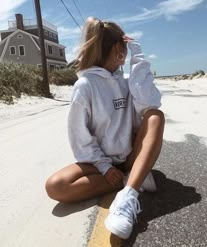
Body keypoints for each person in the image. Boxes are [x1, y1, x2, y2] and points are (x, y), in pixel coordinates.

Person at [45, 17, 165, 239]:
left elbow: (151, 102)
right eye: (127, 48)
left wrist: (138, 57)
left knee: (156, 116)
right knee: (56, 186)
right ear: (118, 48)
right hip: (99, 162)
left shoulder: (127, 81)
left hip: (129, 155)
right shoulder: (85, 86)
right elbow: (80, 137)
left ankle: (128, 194)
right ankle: (132, 178)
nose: (128, 52)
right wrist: (104, 166)